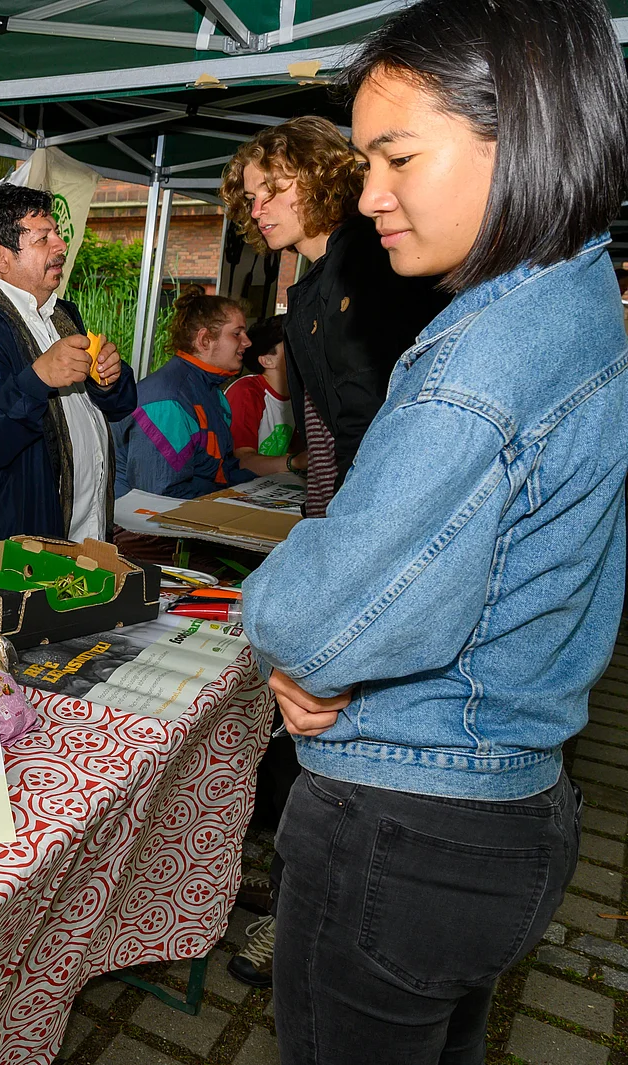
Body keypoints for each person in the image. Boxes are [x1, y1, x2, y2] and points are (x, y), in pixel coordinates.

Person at [242, 0, 628, 1060]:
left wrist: (294, 625)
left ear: (527, 131)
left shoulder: (480, 363)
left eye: (397, 156)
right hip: (504, 803)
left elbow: (314, 621)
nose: (369, 195)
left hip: (402, 823)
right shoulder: (577, 292)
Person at [222, 116, 448, 518]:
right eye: (251, 198)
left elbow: (364, 420)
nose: (257, 210)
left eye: (271, 191)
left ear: (318, 179)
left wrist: (348, 526)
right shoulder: (325, 275)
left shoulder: (362, 263)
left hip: (373, 507)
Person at [0, 184, 135, 559]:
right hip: (4, 554)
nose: (60, 246)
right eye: (43, 239)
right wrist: (37, 379)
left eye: (56, 234)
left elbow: (120, 407)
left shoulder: (61, 314)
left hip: (81, 537)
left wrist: (112, 378)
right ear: (0, 257)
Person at [113, 289, 255, 499]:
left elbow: (223, 470)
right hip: (135, 525)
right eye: (237, 334)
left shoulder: (212, 392)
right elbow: (158, 497)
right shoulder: (168, 402)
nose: (247, 342)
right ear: (205, 340)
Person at [226, 316, 305, 477]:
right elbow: (242, 461)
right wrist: (295, 462)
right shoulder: (246, 392)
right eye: (292, 345)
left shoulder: (299, 396)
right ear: (267, 361)